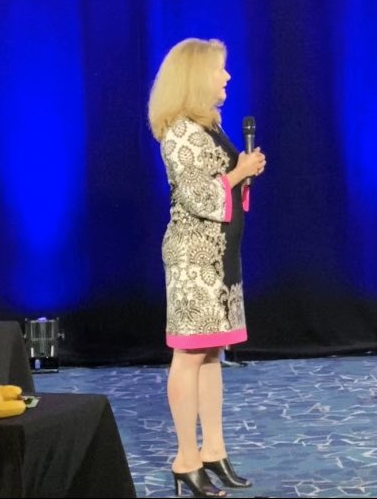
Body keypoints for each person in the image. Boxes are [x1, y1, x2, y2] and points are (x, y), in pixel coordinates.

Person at [148, 38, 266, 499]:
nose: (228, 77)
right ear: (197, 77)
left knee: (212, 353)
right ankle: (185, 459)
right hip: (194, 257)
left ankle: (213, 450)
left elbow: (221, 187)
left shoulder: (208, 126)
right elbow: (198, 195)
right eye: (220, 69)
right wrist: (238, 173)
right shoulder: (181, 132)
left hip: (220, 255)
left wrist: (243, 172)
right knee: (189, 354)